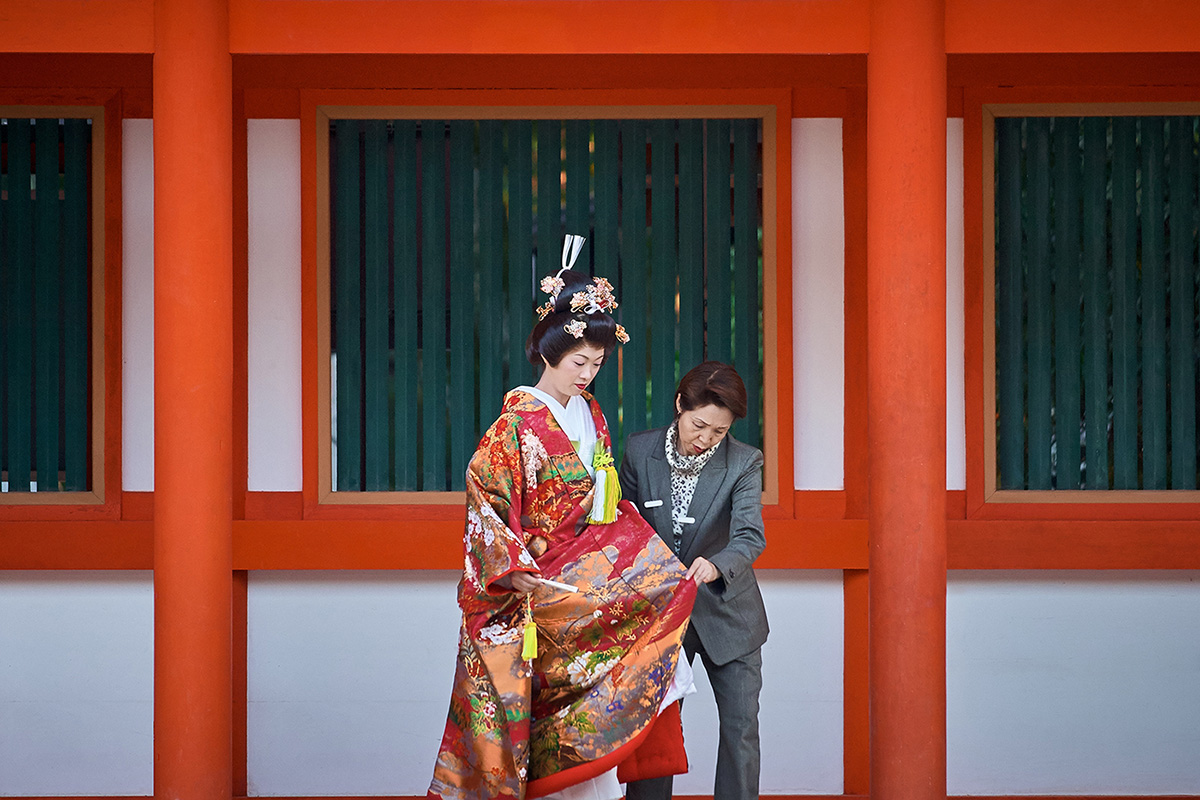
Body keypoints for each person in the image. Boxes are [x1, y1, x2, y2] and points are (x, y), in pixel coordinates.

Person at [428, 236, 697, 800]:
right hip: (537, 582)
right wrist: (511, 564)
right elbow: (486, 501)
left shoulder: (589, 413)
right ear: (549, 352)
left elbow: (604, 497)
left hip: (585, 569)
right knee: (529, 718)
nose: (588, 374)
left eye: (597, 364)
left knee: (661, 599)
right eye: (579, 361)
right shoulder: (515, 426)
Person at [619, 362, 768, 800]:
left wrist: (716, 564)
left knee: (741, 731)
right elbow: (625, 528)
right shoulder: (638, 450)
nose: (705, 439)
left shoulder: (744, 462)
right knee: (654, 733)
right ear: (680, 405)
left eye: (718, 432)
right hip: (662, 616)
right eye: (699, 425)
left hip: (729, 614)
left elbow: (748, 535)